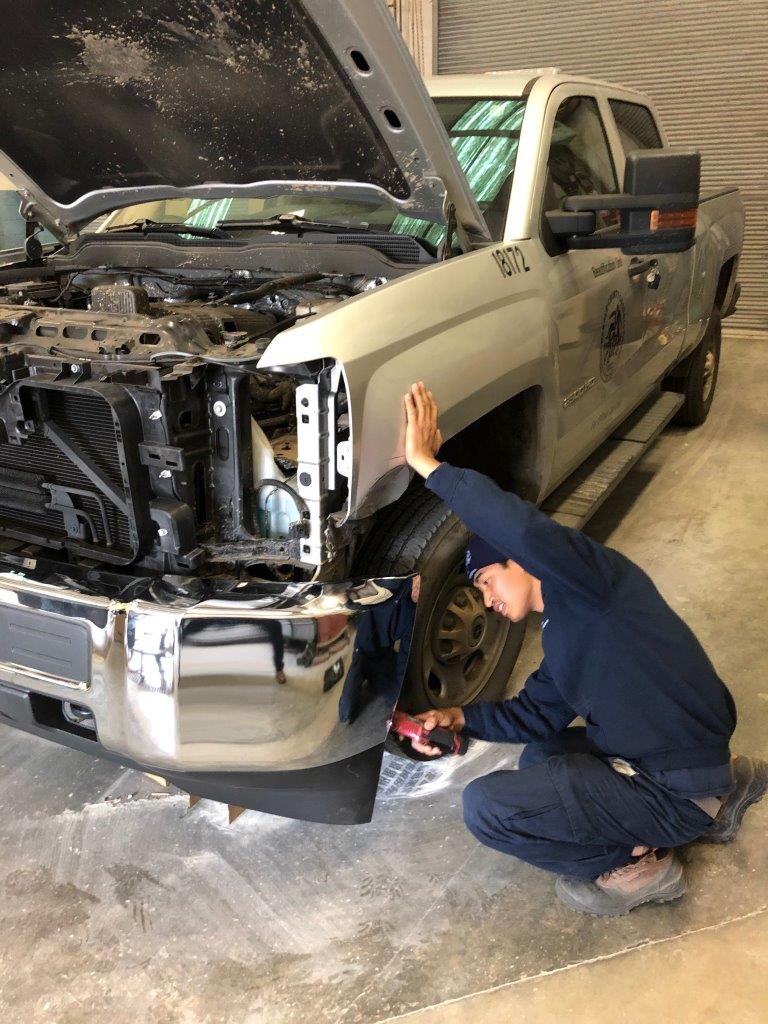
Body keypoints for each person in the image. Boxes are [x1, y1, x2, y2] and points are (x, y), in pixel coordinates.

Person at [402, 381, 768, 916]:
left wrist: (430, 465)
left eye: (485, 581)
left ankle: (636, 862)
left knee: (487, 808)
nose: (485, 600)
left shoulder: (591, 583)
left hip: (675, 782)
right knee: (542, 754)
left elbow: (520, 526)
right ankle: (722, 793)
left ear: (519, 561)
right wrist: (460, 717)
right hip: (685, 756)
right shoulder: (567, 627)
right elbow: (533, 716)